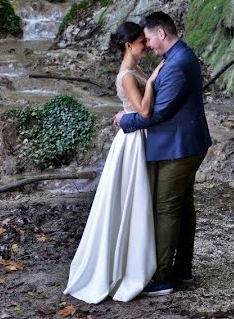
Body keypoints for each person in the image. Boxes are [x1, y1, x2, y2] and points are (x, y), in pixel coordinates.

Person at [113, 10, 212, 297]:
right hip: (185, 143)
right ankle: (182, 268)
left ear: (161, 34)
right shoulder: (178, 57)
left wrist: (124, 121)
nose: (148, 45)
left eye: (148, 39)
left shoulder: (177, 64)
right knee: (182, 205)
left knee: (166, 207)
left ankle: (162, 277)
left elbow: (158, 113)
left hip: (179, 147)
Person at [64, 22, 163, 303]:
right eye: (142, 42)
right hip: (133, 140)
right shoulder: (127, 76)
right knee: (133, 198)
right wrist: (154, 81)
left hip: (139, 137)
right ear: (129, 45)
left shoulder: (137, 70)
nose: (146, 45)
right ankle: (127, 267)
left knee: (137, 199)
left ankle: (136, 258)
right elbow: (143, 110)